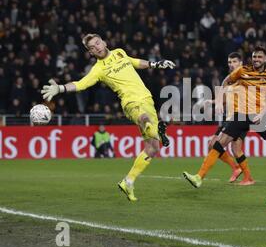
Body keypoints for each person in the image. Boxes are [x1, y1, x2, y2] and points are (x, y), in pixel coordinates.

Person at [41, 33, 175, 202]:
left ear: (103, 42)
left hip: (147, 98)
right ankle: (156, 131)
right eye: (92, 47)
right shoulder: (98, 69)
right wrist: (60, 88)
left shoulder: (119, 52)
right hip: (131, 102)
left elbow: (135, 62)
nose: (96, 47)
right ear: (91, 53)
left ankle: (128, 181)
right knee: (144, 117)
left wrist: (156, 64)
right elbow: (81, 84)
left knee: (153, 148)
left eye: (97, 43)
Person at [183, 46, 266, 188]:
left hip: (258, 116)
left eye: (259, 57)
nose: (256, 59)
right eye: (254, 57)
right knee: (220, 144)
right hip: (240, 115)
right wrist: (219, 100)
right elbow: (225, 81)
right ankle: (199, 177)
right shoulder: (242, 71)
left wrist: (262, 114)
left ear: (265, 59)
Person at [207, 52, 254, 185]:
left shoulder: (246, 77)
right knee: (236, 149)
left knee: (214, 145)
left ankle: (238, 170)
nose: (231, 64)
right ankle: (246, 176)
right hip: (230, 117)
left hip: (240, 117)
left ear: (240, 63)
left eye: (234, 62)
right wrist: (212, 103)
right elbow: (220, 100)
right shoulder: (226, 80)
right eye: (229, 62)